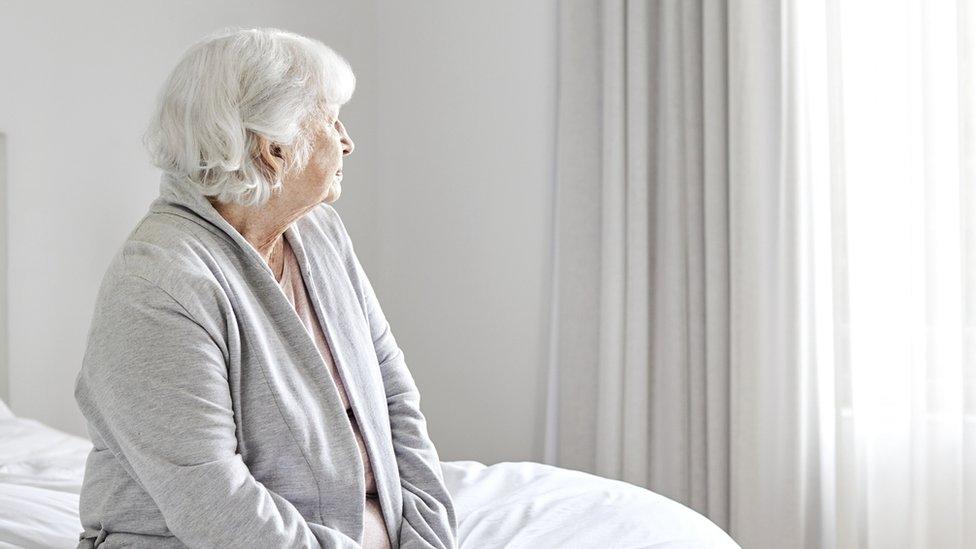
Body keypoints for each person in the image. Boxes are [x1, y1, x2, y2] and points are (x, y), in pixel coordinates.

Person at [73, 27, 458, 548]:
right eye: (329, 118)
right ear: (272, 148)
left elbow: (393, 396)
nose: (347, 140)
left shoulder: (319, 232)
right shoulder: (159, 286)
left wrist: (428, 534)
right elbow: (216, 508)